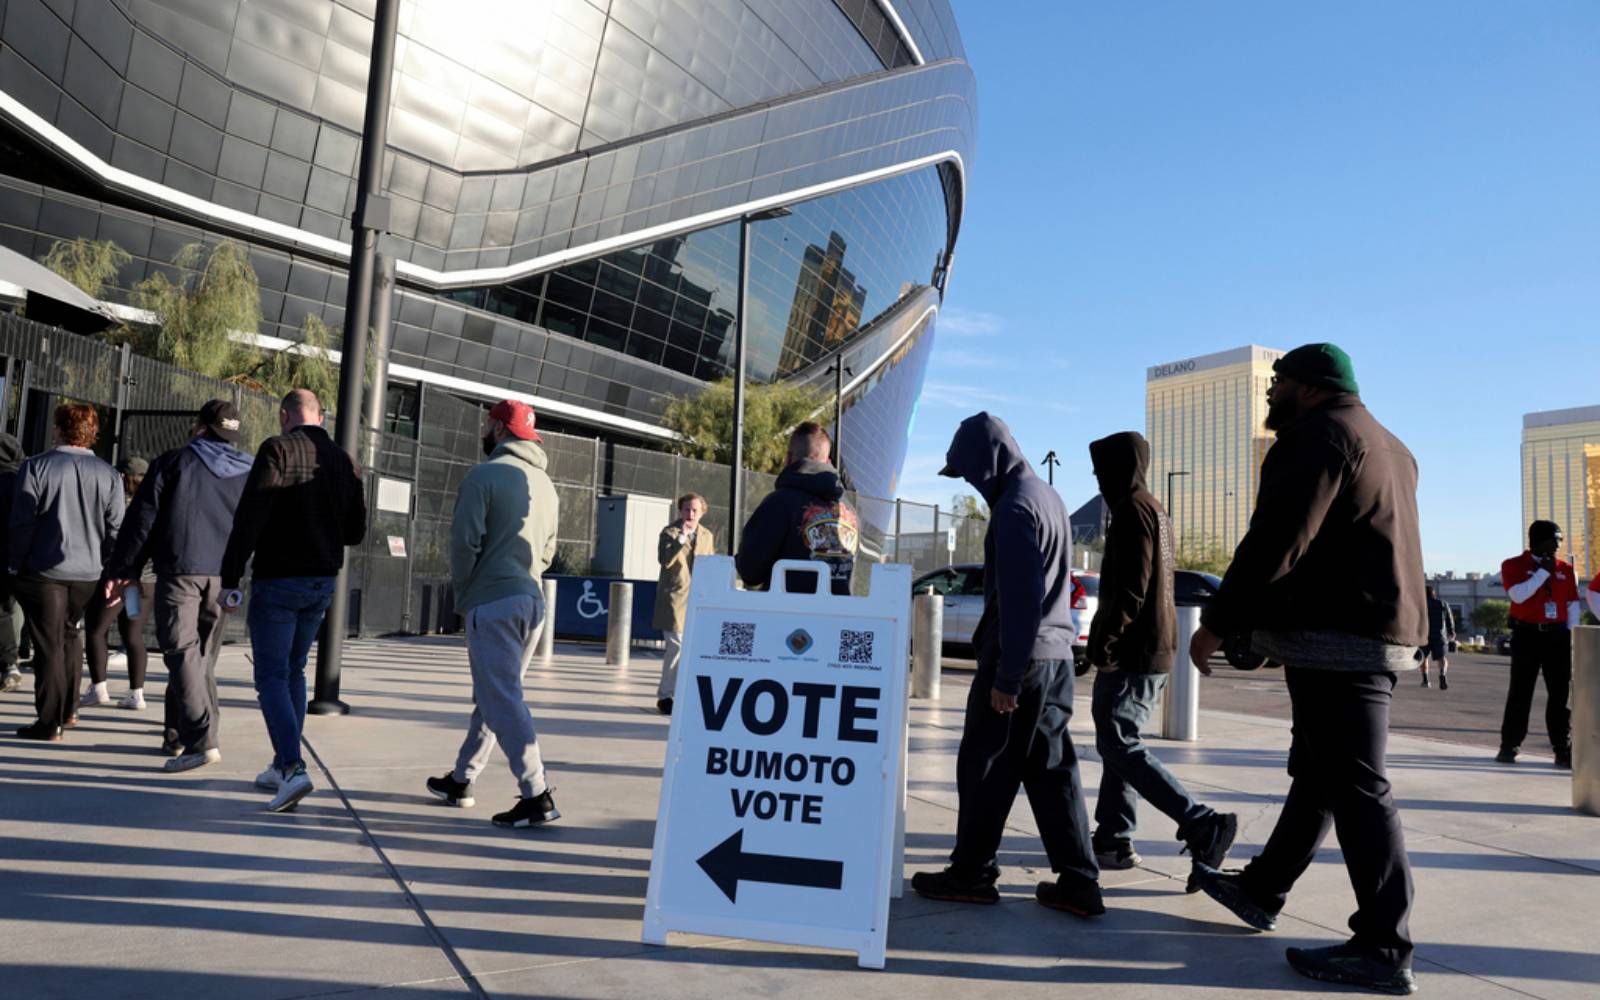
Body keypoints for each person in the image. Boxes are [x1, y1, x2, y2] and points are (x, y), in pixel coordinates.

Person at [1188, 344, 1423, 996]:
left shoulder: (1317, 436)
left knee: (1356, 783)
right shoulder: (1390, 444)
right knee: (1321, 772)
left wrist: (1221, 622)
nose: (1270, 393)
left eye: (1278, 382)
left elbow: (1279, 539)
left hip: (1340, 637)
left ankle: (1384, 945)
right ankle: (1263, 890)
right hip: (1378, 628)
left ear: (1311, 387)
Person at [912, 412, 1103, 917]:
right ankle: (1080, 881)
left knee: (983, 766)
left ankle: (971, 874)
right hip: (1058, 659)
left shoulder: (1014, 509)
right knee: (1052, 771)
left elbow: (1021, 601)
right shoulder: (1048, 497)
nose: (971, 483)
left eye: (969, 471)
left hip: (1022, 660)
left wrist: (1007, 678)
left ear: (988, 460)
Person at [1083, 431, 1237, 885]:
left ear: (1120, 468)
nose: (1096, 480)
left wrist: (1104, 645)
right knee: (1119, 744)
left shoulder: (1131, 511)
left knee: (1120, 744)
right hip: (1154, 648)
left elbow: (1130, 587)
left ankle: (1199, 821)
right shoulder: (1155, 509)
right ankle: (1113, 838)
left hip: (1132, 651)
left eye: (1100, 470)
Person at [221, 390, 366, 811]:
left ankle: (291, 767)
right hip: (322, 580)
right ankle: (281, 763)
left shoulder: (277, 448)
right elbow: (355, 533)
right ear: (320, 416)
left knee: (269, 676)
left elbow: (250, 515)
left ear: (285, 416)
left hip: (279, 579)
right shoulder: (346, 461)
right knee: (293, 670)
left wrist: (231, 575)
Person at [425, 399, 561, 828]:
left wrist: (465, 594)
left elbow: (464, 543)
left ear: (500, 429)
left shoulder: (483, 476)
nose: (485, 430)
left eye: (489, 423)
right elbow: (549, 551)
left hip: (493, 599)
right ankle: (462, 779)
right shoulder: (546, 484)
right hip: (532, 599)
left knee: (501, 698)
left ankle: (536, 794)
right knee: (495, 693)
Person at [106, 401, 253, 773]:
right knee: (200, 657)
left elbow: (142, 522)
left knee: (181, 651)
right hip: (226, 576)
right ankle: (178, 735)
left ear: (199, 426)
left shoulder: (175, 463)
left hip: (181, 570)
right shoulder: (251, 470)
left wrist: (125, 570)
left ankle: (202, 740)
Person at [10, 403, 125, 741]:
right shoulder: (108, 474)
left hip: (45, 570)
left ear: (58, 429)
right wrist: (110, 568)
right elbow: (116, 529)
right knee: (70, 634)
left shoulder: (36, 468)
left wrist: (14, 563)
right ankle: (70, 709)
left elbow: (22, 523)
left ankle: (49, 721)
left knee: (48, 645)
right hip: (87, 573)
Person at [736, 422, 859, 596]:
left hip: (786, 617)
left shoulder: (778, 503)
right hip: (838, 619)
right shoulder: (849, 511)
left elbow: (750, 571)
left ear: (788, 459)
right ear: (828, 461)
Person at [1495, 521, 1578, 768]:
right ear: (1538, 540)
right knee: (1520, 692)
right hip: (1527, 636)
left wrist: (1571, 637)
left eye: (1560, 540)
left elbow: (1572, 605)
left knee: (1560, 696)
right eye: (1555, 539)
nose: (1558, 545)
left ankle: (1563, 749)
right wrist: (1543, 572)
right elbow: (1518, 595)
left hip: (1557, 637)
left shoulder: (1566, 569)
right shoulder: (1513, 565)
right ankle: (1509, 746)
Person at [79, 457, 153, 711]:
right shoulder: (157, 501)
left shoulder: (122, 505)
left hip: (121, 578)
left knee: (96, 629)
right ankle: (137, 693)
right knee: (132, 634)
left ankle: (98, 687)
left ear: (124, 476)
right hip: (146, 581)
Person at [652, 493, 714, 714]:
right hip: (674, 599)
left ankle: (684, 694)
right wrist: (681, 539)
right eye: (687, 509)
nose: (690, 514)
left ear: (702, 512)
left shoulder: (707, 536)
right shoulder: (670, 533)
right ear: (680, 511)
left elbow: (710, 564)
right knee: (676, 646)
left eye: (695, 510)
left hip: (697, 599)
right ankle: (666, 695)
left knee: (691, 649)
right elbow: (665, 560)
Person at [0, 432, 24, 693]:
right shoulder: (22, 478)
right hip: (20, 552)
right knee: (13, 607)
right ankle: (11, 662)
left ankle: (9, 661)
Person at [1419, 585, 1455, 690]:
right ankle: (1442, 674)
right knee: (1442, 658)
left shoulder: (1421, 605)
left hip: (1424, 636)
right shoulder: (1443, 603)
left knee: (1423, 658)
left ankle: (1425, 680)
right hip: (1440, 636)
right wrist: (1451, 631)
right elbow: (1449, 618)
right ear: (1434, 593)